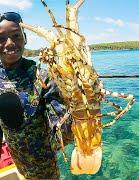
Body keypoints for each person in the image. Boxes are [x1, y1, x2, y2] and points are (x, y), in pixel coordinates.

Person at [0, 12, 72, 179]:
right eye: (1, 38)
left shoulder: (44, 77)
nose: (9, 43)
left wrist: (78, 109)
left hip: (45, 170)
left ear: (25, 38)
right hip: (18, 162)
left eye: (16, 36)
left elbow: (63, 132)